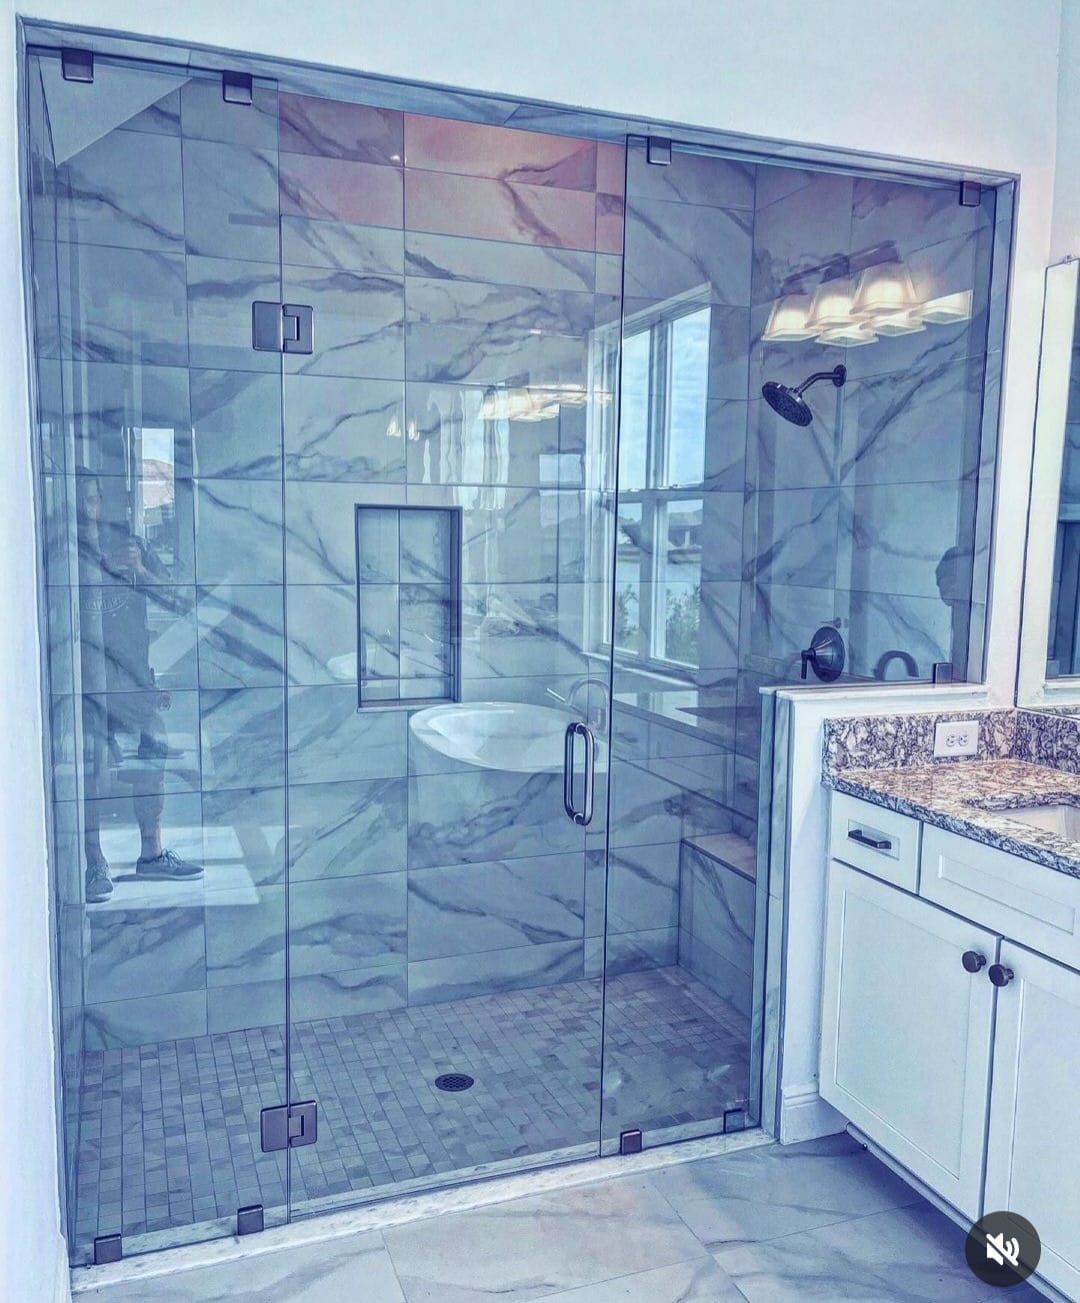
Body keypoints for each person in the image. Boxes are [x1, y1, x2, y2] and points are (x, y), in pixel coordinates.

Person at [76, 475, 202, 904]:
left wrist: (141, 570)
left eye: (94, 501)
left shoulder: (128, 545)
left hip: (132, 681)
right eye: (82, 503)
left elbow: (176, 601)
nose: (90, 512)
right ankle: (95, 860)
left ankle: (151, 852)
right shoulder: (67, 554)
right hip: (85, 683)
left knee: (155, 747)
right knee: (92, 765)